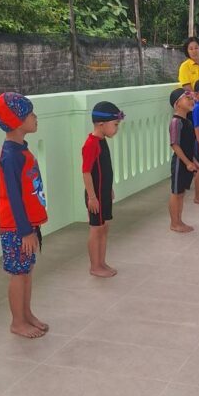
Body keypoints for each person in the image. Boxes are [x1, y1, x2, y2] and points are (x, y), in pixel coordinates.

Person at [0, 92, 48, 338]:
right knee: (19, 273)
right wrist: (25, 231)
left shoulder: (20, 150)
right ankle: (17, 322)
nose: (35, 117)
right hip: (16, 227)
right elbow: (14, 197)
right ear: (16, 121)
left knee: (27, 270)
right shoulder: (11, 156)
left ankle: (27, 314)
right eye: (30, 114)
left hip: (26, 225)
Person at [81, 100, 124, 278]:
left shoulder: (102, 140)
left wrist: (109, 188)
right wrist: (92, 197)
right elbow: (86, 172)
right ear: (101, 124)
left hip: (103, 192)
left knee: (104, 227)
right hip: (95, 195)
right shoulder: (91, 144)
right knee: (96, 229)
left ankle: (101, 261)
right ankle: (94, 266)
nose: (117, 129)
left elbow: (104, 170)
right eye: (115, 124)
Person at [169, 87, 199, 232]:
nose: (191, 100)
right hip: (179, 163)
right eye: (187, 98)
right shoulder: (176, 122)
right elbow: (175, 145)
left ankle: (179, 221)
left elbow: (187, 146)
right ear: (177, 104)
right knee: (176, 193)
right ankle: (174, 223)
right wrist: (187, 162)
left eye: (192, 98)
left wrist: (193, 160)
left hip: (186, 162)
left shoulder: (187, 121)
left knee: (181, 193)